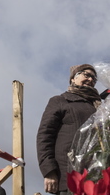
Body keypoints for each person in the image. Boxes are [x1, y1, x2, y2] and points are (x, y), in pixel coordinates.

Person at [36, 64, 101, 194]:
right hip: (69, 177)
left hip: (98, 178)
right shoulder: (61, 101)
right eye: (86, 75)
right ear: (73, 78)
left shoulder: (100, 108)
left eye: (94, 78)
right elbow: (45, 136)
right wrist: (49, 171)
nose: (90, 80)